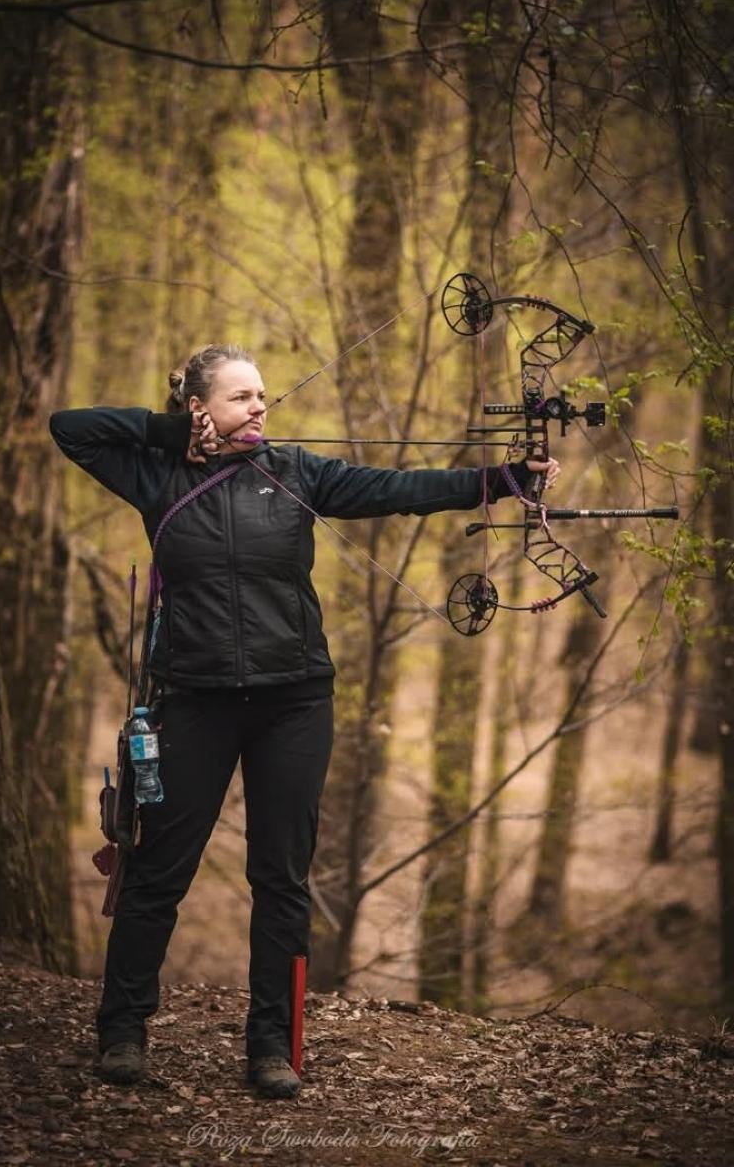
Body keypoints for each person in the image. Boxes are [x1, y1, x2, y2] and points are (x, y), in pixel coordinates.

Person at [49, 342, 559, 1098]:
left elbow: (400, 487)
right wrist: (170, 435)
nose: (260, 407)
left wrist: (500, 479)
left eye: (263, 396)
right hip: (194, 700)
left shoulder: (295, 472)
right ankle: (121, 1034)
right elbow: (71, 426)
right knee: (156, 872)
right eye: (242, 397)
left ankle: (272, 1047)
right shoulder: (152, 474)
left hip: (294, 702)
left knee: (280, 877)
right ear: (200, 408)